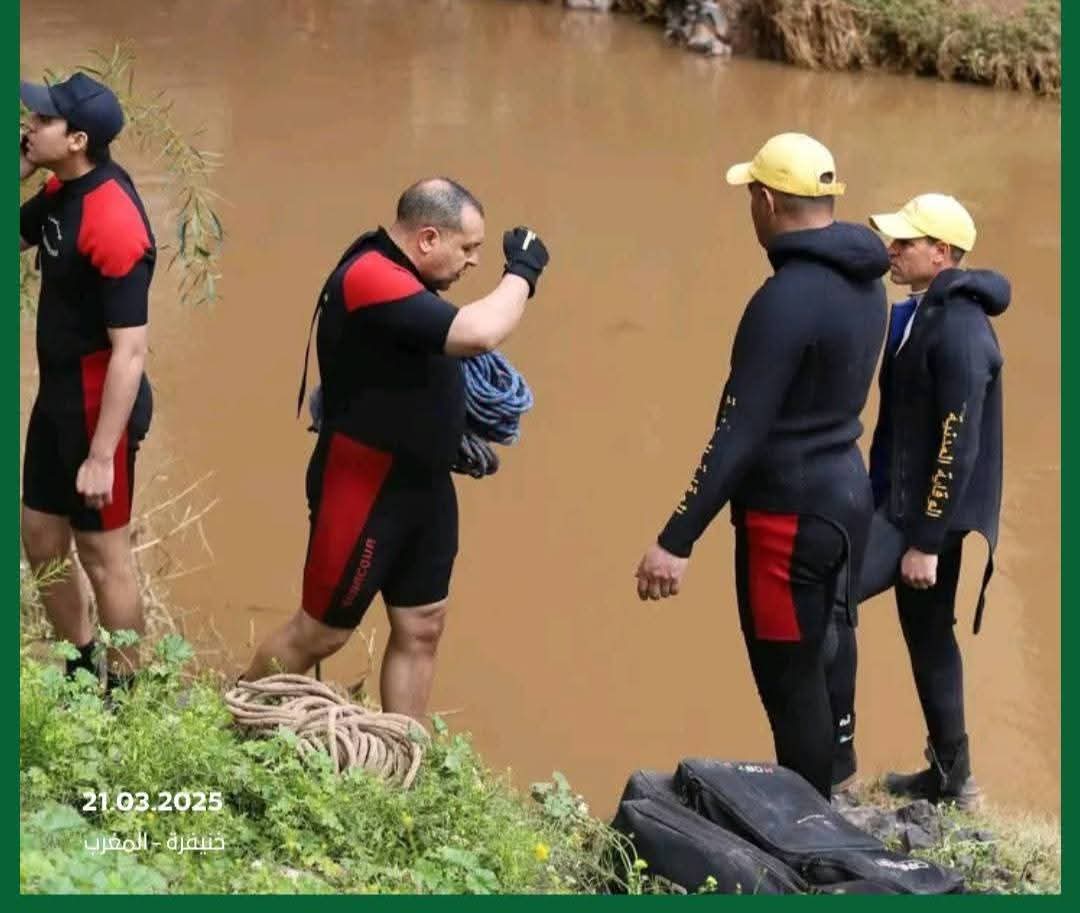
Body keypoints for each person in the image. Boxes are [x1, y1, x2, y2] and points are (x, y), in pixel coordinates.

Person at [634, 133, 888, 798]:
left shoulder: (783, 299)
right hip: (846, 495)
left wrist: (675, 537)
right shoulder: (868, 285)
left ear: (767, 200)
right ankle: (838, 782)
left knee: (789, 676)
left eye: (753, 198)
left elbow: (739, 430)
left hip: (788, 520)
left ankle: (810, 832)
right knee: (833, 638)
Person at [243, 178, 549, 720]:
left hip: (424, 485)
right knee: (320, 632)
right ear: (428, 238)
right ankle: (228, 721)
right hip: (362, 486)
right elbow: (477, 333)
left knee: (423, 625)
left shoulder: (406, 278)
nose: (474, 261)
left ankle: (403, 760)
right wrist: (522, 271)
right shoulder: (369, 276)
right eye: (468, 248)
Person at [832, 194, 1008, 808]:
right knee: (930, 636)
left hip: (918, 519)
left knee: (830, 600)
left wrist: (927, 544)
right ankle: (953, 780)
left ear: (943, 253)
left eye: (906, 242)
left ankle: (832, 771)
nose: (893, 250)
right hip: (897, 501)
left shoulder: (960, 329)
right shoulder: (919, 311)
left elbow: (959, 446)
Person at [19, 73, 156, 689]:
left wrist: (103, 456)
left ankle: (128, 701)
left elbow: (130, 350)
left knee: (105, 557)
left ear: (76, 139)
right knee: (42, 539)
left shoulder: (114, 220)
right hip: (57, 401)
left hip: (102, 409)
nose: (28, 123)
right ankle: (80, 673)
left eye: (42, 120)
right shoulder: (61, 189)